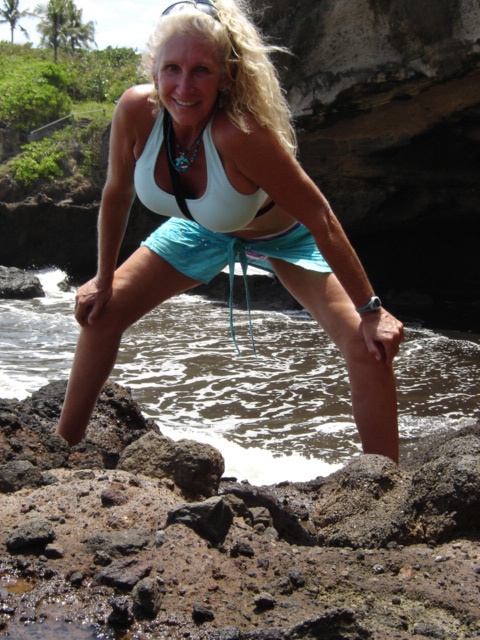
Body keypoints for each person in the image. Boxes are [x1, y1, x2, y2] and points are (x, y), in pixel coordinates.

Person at [56, 0, 404, 463]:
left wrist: (371, 311)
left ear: (227, 76)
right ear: (154, 69)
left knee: (370, 347)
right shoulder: (137, 111)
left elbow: (319, 216)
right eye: (172, 68)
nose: (183, 86)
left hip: (283, 237)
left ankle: (385, 485)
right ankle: (62, 451)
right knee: (102, 311)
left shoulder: (240, 134)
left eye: (201, 70)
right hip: (197, 230)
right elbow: (117, 194)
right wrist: (103, 277)